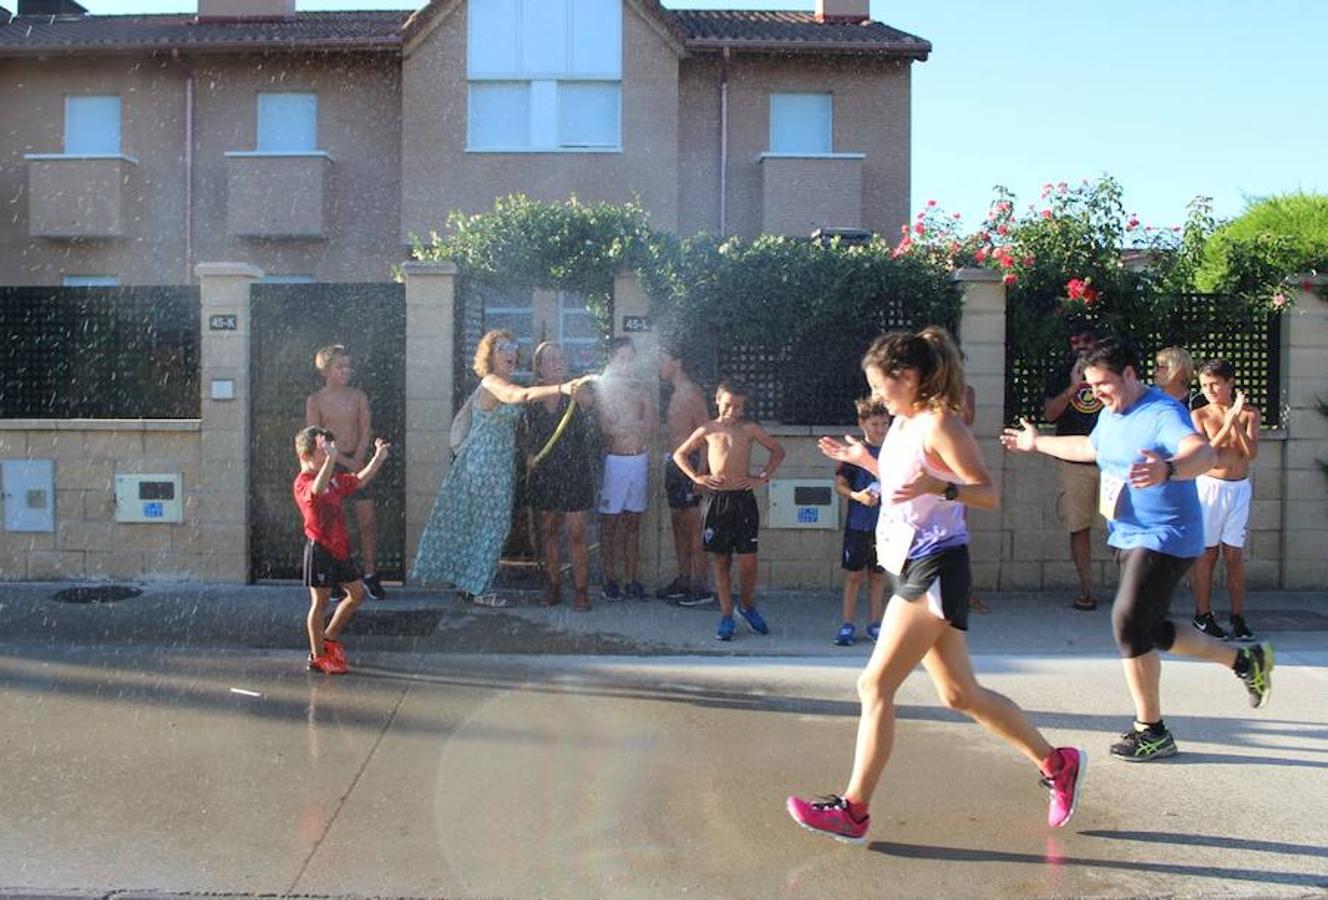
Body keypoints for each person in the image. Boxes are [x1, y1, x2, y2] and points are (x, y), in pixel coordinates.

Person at [786, 327, 1085, 844]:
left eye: (881, 385)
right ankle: (1057, 763)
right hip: (911, 562)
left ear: (908, 377)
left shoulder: (943, 423)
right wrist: (863, 461)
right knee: (959, 693)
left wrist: (942, 485)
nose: (877, 396)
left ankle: (853, 811)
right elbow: (906, 482)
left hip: (935, 565)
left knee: (874, 685)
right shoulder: (904, 422)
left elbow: (986, 493)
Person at [1002, 337, 1273, 763]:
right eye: (1091, 386)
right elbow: (1089, 449)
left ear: (1130, 374)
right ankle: (1245, 661)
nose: (1097, 393)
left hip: (1167, 535)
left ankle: (1152, 730)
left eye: (1104, 384)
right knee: (1150, 629)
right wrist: (1037, 443)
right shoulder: (1112, 415)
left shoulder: (1162, 412)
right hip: (1129, 534)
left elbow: (1201, 453)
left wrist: (1168, 470)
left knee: (1127, 621)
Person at [411, 329, 587, 607]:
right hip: (483, 465)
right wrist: (562, 388)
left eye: (513, 347)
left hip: (497, 466)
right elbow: (523, 396)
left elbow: (515, 423)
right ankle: (477, 589)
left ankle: (469, 584)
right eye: (503, 348)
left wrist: (525, 453)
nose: (511, 352)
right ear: (489, 356)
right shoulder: (493, 382)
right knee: (492, 527)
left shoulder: (505, 381)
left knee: (481, 525)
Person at [672, 380, 784, 641]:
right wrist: (696, 478)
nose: (733, 412)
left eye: (738, 407)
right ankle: (725, 614)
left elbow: (778, 451)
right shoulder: (708, 429)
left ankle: (745, 606)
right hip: (717, 501)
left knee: (748, 563)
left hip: (743, 500)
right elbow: (680, 454)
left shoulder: (749, 429)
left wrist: (762, 478)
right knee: (721, 561)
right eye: (728, 405)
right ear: (717, 401)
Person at [293, 426, 390, 674]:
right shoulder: (303, 483)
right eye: (322, 453)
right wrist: (332, 459)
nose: (328, 457)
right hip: (320, 549)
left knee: (357, 594)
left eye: (330, 452)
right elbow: (316, 491)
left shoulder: (334, 479)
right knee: (320, 602)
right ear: (305, 456)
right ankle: (317, 656)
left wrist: (377, 459)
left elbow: (359, 480)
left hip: (340, 549)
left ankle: (329, 637)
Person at [306, 345, 385, 600]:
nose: (346, 371)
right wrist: (340, 460)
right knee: (330, 526)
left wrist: (358, 459)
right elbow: (316, 438)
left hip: (358, 460)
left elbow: (365, 430)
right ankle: (333, 578)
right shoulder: (316, 400)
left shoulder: (358, 396)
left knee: (368, 521)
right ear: (326, 370)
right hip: (330, 465)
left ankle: (370, 574)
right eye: (340, 367)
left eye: (348, 366)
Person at [1190, 359, 1261, 641]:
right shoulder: (1200, 415)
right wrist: (1227, 421)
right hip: (1210, 487)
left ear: (1230, 382)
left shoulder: (1250, 414)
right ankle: (1203, 614)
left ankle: (1238, 617)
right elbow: (1206, 451)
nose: (1209, 390)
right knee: (1207, 553)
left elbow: (1250, 452)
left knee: (1234, 555)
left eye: (1215, 384)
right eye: (1204, 385)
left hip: (1239, 488)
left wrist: (1237, 421)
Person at [524, 341, 597, 613]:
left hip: (575, 470)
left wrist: (581, 397)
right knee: (549, 531)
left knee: (577, 533)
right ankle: (553, 586)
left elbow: (592, 407)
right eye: (550, 358)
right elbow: (528, 433)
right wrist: (529, 456)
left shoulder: (577, 388)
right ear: (540, 366)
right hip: (546, 472)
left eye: (560, 357)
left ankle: (581, 590)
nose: (557, 361)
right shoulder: (534, 395)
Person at [1043, 322, 1103, 611]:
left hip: (1110, 461)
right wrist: (1073, 387)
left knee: (1125, 525)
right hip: (1073, 462)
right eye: (1075, 341)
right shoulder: (1062, 372)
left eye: (1087, 340)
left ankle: (1135, 590)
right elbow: (1050, 413)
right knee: (1078, 527)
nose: (1081, 346)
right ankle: (1087, 590)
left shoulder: (1109, 372)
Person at [595, 337, 654, 600]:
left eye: (631, 359)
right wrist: (631, 425)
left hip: (637, 461)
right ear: (612, 360)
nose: (627, 365)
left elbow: (648, 428)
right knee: (609, 525)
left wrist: (627, 425)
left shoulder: (642, 392)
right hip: (615, 462)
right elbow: (606, 428)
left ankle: (632, 580)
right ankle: (610, 580)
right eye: (622, 359)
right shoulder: (604, 389)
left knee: (633, 524)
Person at [656, 343, 713, 606]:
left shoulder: (691, 393)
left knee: (693, 527)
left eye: (663, 358)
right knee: (678, 525)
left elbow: (706, 434)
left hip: (690, 465)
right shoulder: (675, 392)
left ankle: (700, 586)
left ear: (677, 362)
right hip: (674, 464)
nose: (659, 364)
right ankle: (683, 579)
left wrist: (701, 473)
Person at [832, 397, 890, 646]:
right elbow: (839, 485)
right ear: (862, 423)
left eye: (884, 423)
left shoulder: (894, 453)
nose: (879, 429)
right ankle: (847, 625)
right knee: (854, 577)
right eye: (874, 423)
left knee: (878, 577)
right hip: (858, 525)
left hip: (885, 527)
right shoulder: (854, 455)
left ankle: (875, 624)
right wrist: (858, 496)